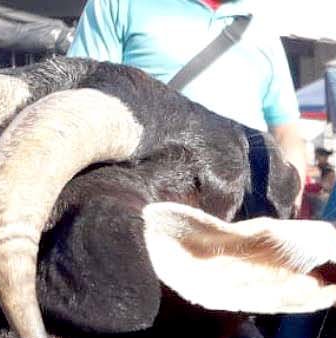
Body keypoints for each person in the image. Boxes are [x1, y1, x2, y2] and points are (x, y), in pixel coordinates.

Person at [67, 0, 307, 208]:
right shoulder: (120, 4)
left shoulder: (262, 27)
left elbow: (287, 132)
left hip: (243, 208)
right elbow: (84, 102)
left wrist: (290, 206)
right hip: (149, 200)